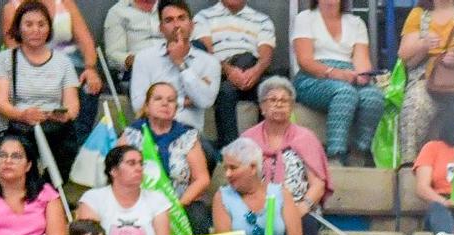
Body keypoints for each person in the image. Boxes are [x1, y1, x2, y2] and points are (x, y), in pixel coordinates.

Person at [241, 77, 329, 235]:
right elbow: (238, 179)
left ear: (292, 107)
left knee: (308, 221)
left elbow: (318, 182)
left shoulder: (305, 138)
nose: (279, 104)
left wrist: (303, 205)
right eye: (272, 100)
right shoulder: (248, 139)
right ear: (261, 107)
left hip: (298, 204)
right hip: (256, 205)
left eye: (284, 100)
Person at [0, 0, 83, 176]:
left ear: (49, 28)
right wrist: (22, 115)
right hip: (19, 126)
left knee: (66, 144)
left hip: (55, 128)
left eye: (41, 24)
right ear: (18, 28)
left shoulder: (63, 62)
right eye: (29, 24)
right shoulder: (5, 59)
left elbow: (73, 105)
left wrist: (65, 114)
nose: (36, 30)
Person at [396, 0, 454, 159]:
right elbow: (404, 55)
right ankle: (409, 163)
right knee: (413, 107)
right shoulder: (418, 14)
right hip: (426, 81)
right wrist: (423, 45)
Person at [291, 0, 377, 166]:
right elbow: (305, 60)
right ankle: (335, 156)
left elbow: (361, 60)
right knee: (345, 93)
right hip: (313, 76)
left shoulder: (356, 23)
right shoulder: (305, 18)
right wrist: (334, 73)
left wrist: (363, 75)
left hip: (347, 75)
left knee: (373, 96)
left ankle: (359, 154)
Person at [123, 79, 212, 235]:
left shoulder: (187, 136)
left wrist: (178, 205)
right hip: (139, 201)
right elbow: (116, 172)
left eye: (171, 100)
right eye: (158, 99)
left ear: (176, 109)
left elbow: (202, 179)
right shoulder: (132, 134)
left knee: (198, 217)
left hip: (180, 203)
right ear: (146, 106)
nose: (165, 103)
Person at [131, 1, 220, 137]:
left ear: (191, 25)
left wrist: (180, 63)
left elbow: (205, 101)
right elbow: (138, 104)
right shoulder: (144, 58)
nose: (176, 25)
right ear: (161, 28)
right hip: (151, 131)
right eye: (169, 20)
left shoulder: (209, 62)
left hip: (189, 134)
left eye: (181, 18)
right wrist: (183, 101)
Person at [193, 0, 273, 146]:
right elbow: (206, 53)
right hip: (220, 73)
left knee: (270, 89)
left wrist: (254, 72)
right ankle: (231, 148)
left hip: (253, 73)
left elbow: (265, 57)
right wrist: (228, 70)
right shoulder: (203, 17)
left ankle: (265, 147)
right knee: (225, 91)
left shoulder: (263, 20)